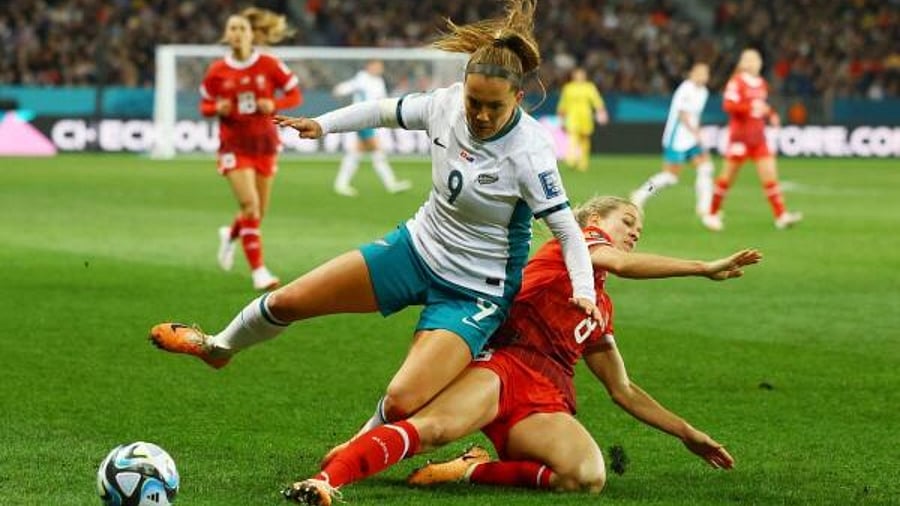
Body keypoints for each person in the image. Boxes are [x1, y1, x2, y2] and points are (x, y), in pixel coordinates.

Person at [150, 0, 600, 440]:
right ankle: (219, 348)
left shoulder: (531, 150)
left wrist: (582, 290)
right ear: (462, 89)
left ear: (518, 98)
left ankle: (348, 459)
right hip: (416, 249)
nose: (480, 114)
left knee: (403, 399)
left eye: (494, 107)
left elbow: (565, 229)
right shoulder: (444, 105)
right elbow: (384, 111)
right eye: (473, 102)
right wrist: (322, 125)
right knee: (289, 301)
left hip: (475, 290)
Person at [284, 196, 757, 505]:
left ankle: (472, 470)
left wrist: (687, 433)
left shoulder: (600, 305)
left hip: (548, 397)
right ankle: (328, 482)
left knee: (586, 476)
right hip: (505, 366)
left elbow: (623, 389)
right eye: (628, 221)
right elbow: (619, 260)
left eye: (639, 228)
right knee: (433, 428)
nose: (635, 231)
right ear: (594, 222)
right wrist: (701, 266)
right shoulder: (572, 248)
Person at [205, 12, 302, 291]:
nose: (236, 33)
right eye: (232, 28)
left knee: (258, 211)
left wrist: (273, 104)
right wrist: (216, 109)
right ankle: (259, 270)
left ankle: (230, 234)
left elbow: (295, 95)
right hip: (234, 146)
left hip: (265, 145)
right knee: (250, 206)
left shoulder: (269, 64)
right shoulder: (217, 71)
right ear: (227, 34)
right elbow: (205, 105)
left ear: (251, 34)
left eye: (241, 28)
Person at [703, 48, 803, 231]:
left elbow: (762, 107)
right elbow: (728, 105)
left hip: (758, 138)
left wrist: (771, 114)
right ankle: (712, 214)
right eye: (748, 60)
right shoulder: (736, 82)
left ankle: (781, 216)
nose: (752, 63)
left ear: (760, 63)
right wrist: (749, 106)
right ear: (742, 63)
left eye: (755, 60)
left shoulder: (762, 84)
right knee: (726, 178)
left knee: (770, 177)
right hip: (740, 138)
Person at [630, 62, 715, 221]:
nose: (703, 77)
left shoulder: (703, 92)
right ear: (692, 74)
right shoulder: (686, 89)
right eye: (700, 73)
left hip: (692, 139)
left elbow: (695, 116)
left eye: (706, 74)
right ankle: (642, 193)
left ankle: (705, 208)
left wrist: (697, 133)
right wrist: (696, 132)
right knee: (670, 177)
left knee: (706, 167)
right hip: (678, 138)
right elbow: (682, 115)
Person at [331, 60, 412, 197]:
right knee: (377, 150)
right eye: (377, 66)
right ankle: (391, 184)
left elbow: (382, 99)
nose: (379, 69)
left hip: (372, 119)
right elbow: (348, 87)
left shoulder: (379, 81)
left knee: (356, 152)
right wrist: (339, 90)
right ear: (370, 66)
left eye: (381, 66)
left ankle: (341, 183)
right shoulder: (362, 78)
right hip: (362, 117)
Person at [557, 67, 608, 172]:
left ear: (584, 76)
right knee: (572, 137)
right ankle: (571, 160)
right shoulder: (568, 88)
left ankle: (583, 163)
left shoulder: (589, 87)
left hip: (585, 117)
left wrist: (601, 112)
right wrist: (561, 116)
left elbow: (597, 101)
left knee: (584, 139)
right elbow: (563, 103)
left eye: (581, 74)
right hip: (572, 117)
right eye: (577, 74)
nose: (579, 76)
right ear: (573, 76)